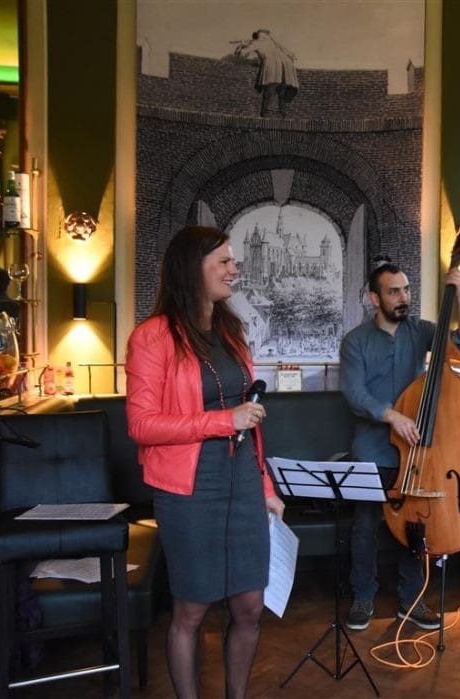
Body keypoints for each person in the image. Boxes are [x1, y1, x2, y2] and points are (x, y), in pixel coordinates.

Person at [126, 226, 285, 699]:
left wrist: (266, 488)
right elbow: (142, 425)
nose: (235, 269)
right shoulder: (152, 337)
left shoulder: (231, 332)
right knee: (191, 611)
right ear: (191, 268)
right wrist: (222, 420)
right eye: (224, 261)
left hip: (243, 479)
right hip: (188, 489)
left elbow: (250, 420)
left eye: (234, 260)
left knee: (250, 606)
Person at [339, 256, 460, 632]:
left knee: (416, 524)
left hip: (417, 451)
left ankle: (412, 600)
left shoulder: (421, 331)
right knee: (365, 527)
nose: (404, 298)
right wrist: (393, 416)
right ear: (374, 298)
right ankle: (363, 597)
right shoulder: (355, 342)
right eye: (394, 292)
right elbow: (354, 394)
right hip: (372, 450)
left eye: (406, 290)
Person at [234, 29, 299, 117]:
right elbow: (290, 55)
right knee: (281, 92)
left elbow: (241, 54)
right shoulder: (274, 43)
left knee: (269, 90)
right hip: (287, 67)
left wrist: (241, 46)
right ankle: (282, 114)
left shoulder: (257, 42)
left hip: (273, 65)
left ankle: (265, 113)